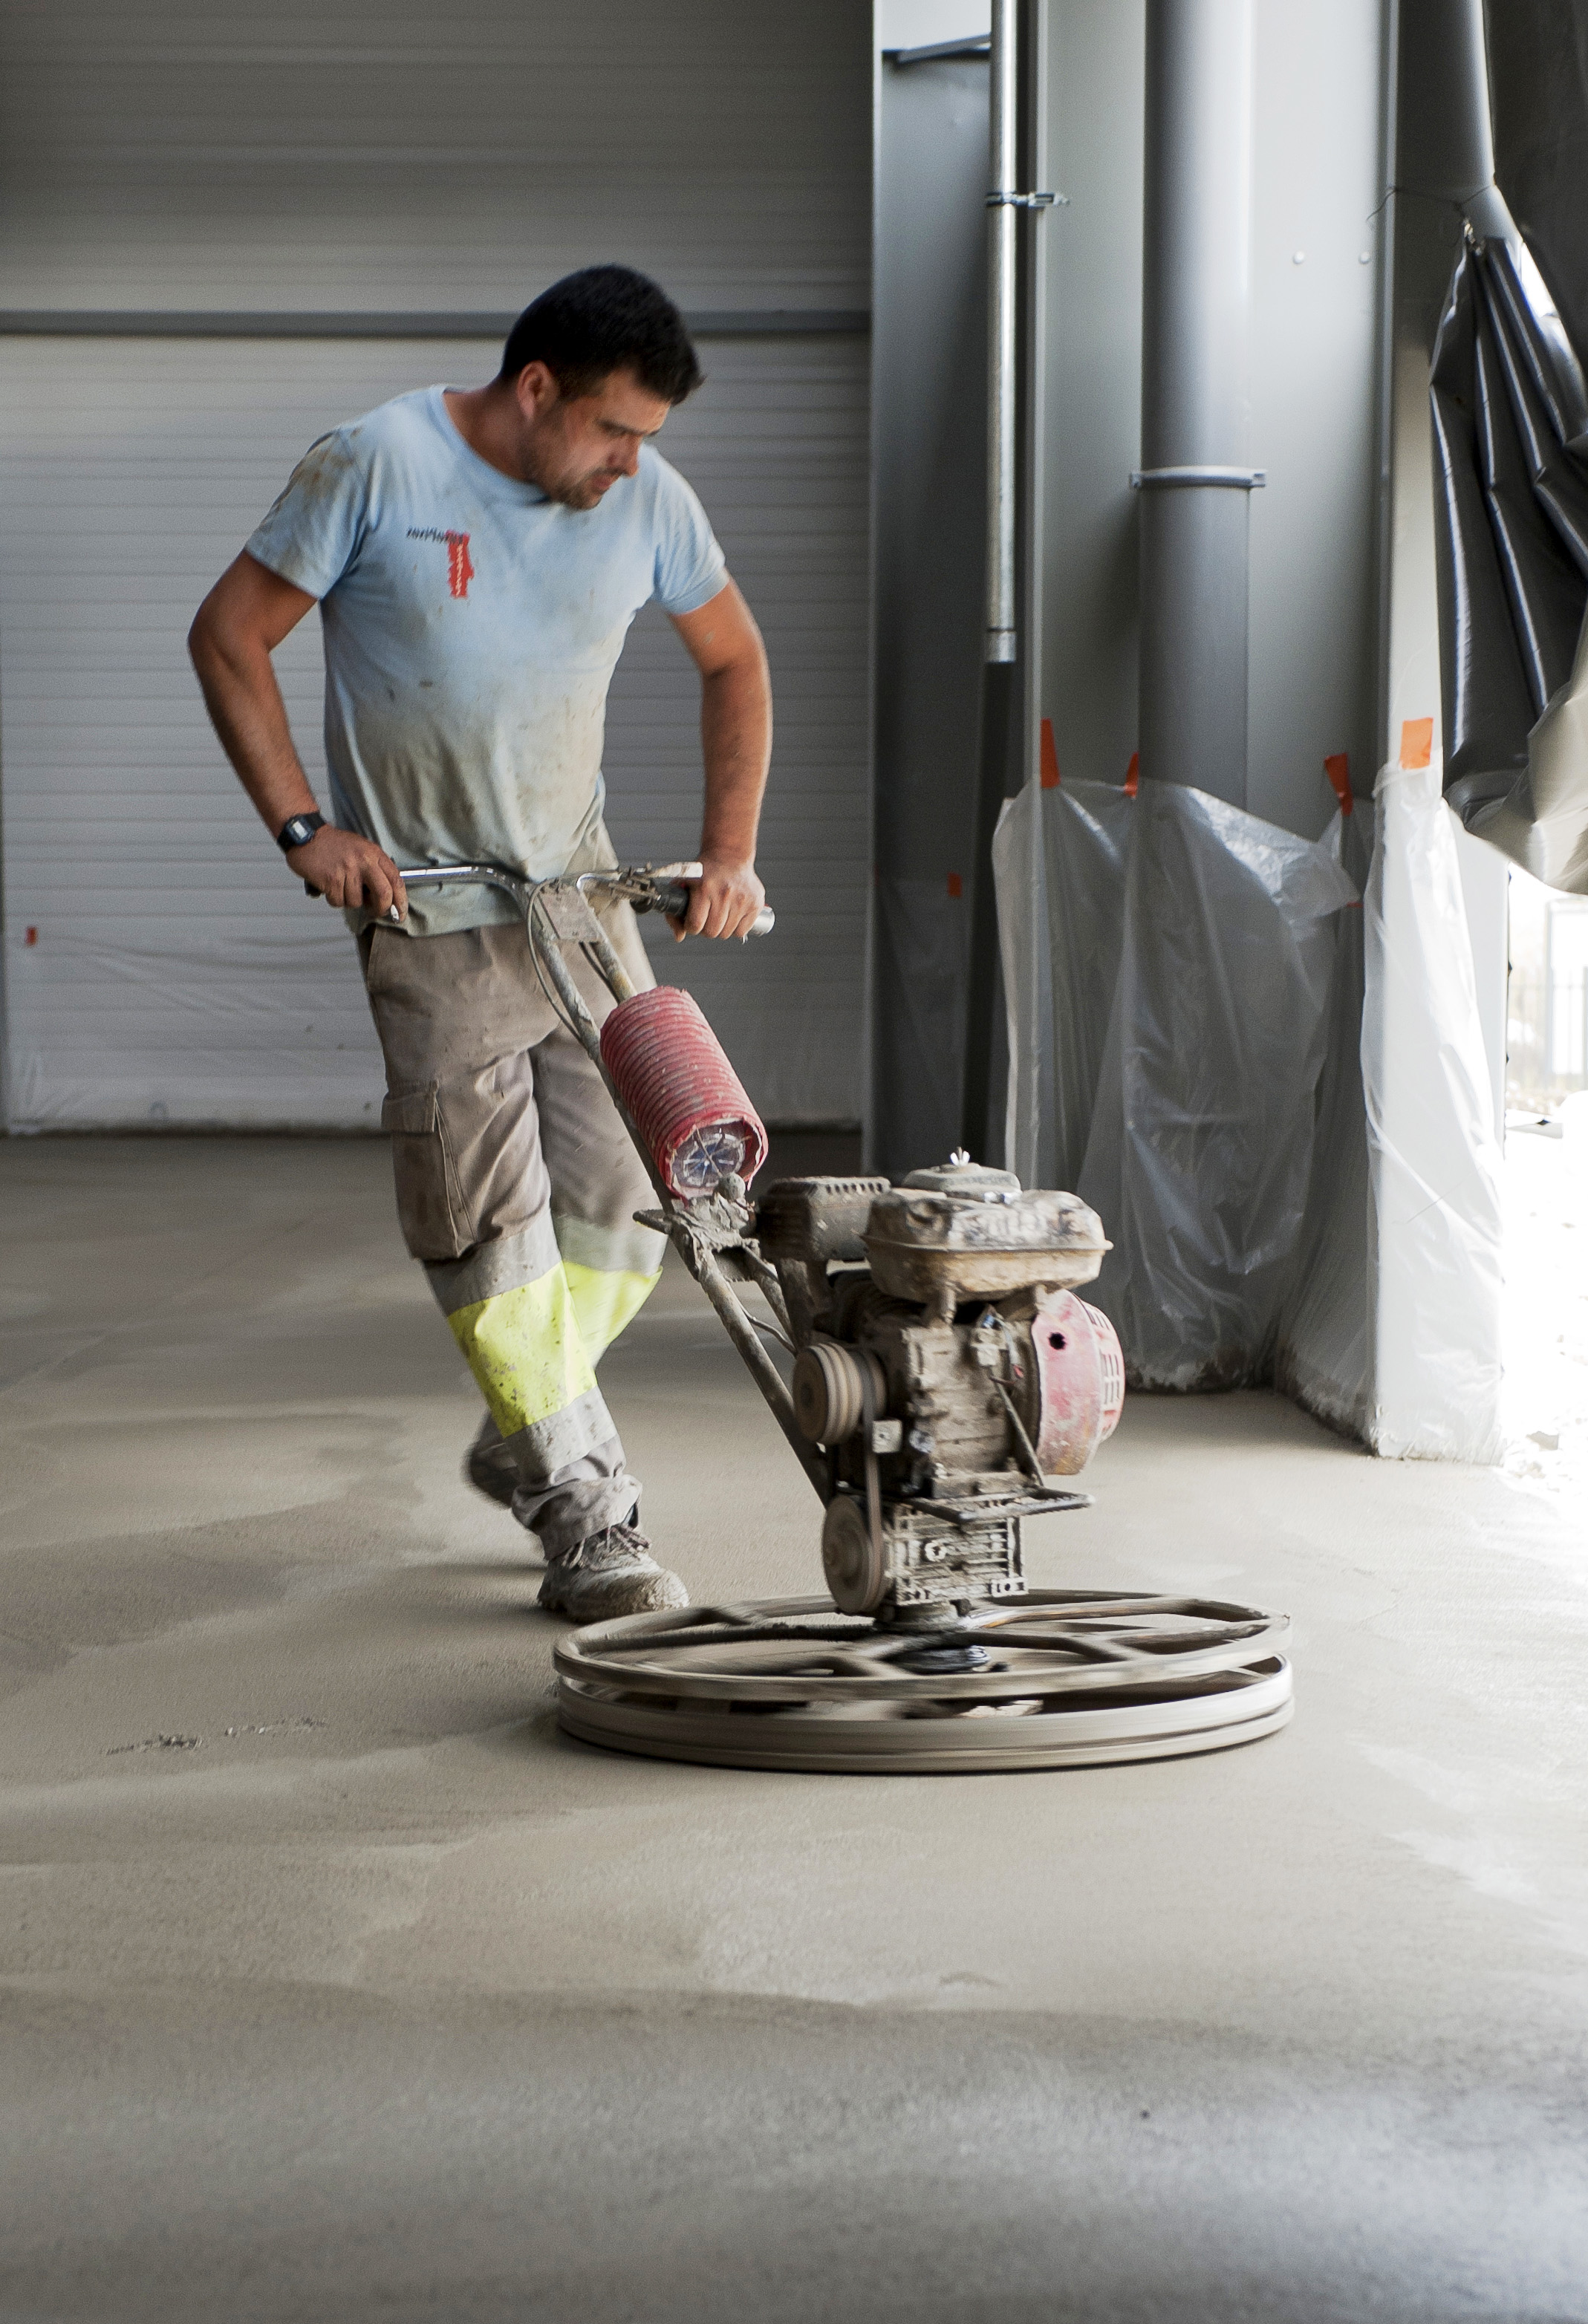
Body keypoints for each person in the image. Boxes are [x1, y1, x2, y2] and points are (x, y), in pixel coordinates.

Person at [189, 264, 771, 1621]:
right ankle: (587, 1512)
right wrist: (301, 827)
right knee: (484, 1213)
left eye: (649, 441)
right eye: (615, 431)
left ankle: (532, 1415)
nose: (632, 464)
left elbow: (733, 658)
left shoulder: (650, 507)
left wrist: (729, 853)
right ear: (535, 392)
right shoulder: (376, 465)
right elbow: (229, 635)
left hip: (585, 904)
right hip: (432, 911)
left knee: (647, 1198)